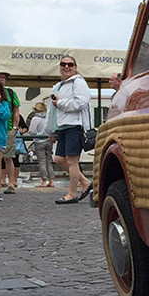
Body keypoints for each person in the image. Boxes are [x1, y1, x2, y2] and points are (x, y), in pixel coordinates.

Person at [46, 56, 93, 204]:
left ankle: (72, 194)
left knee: (72, 161)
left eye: (70, 64)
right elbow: (52, 111)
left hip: (75, 125)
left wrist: (60, 103)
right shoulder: (59, 85)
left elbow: (81, 102)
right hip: (62, 126)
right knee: (59, 159)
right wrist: (52, 130)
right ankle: (85, 182)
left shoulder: (78, 82)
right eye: (63, 64)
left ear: (75, 66)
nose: (66, 67)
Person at [27, 101, 55, 187]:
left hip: (39, 141)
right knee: (49, 161)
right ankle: (51, 180)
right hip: (48, 140)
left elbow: (32, 131)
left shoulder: (35, 119)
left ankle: (44, 180)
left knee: (42, 161)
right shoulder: (48, 117)